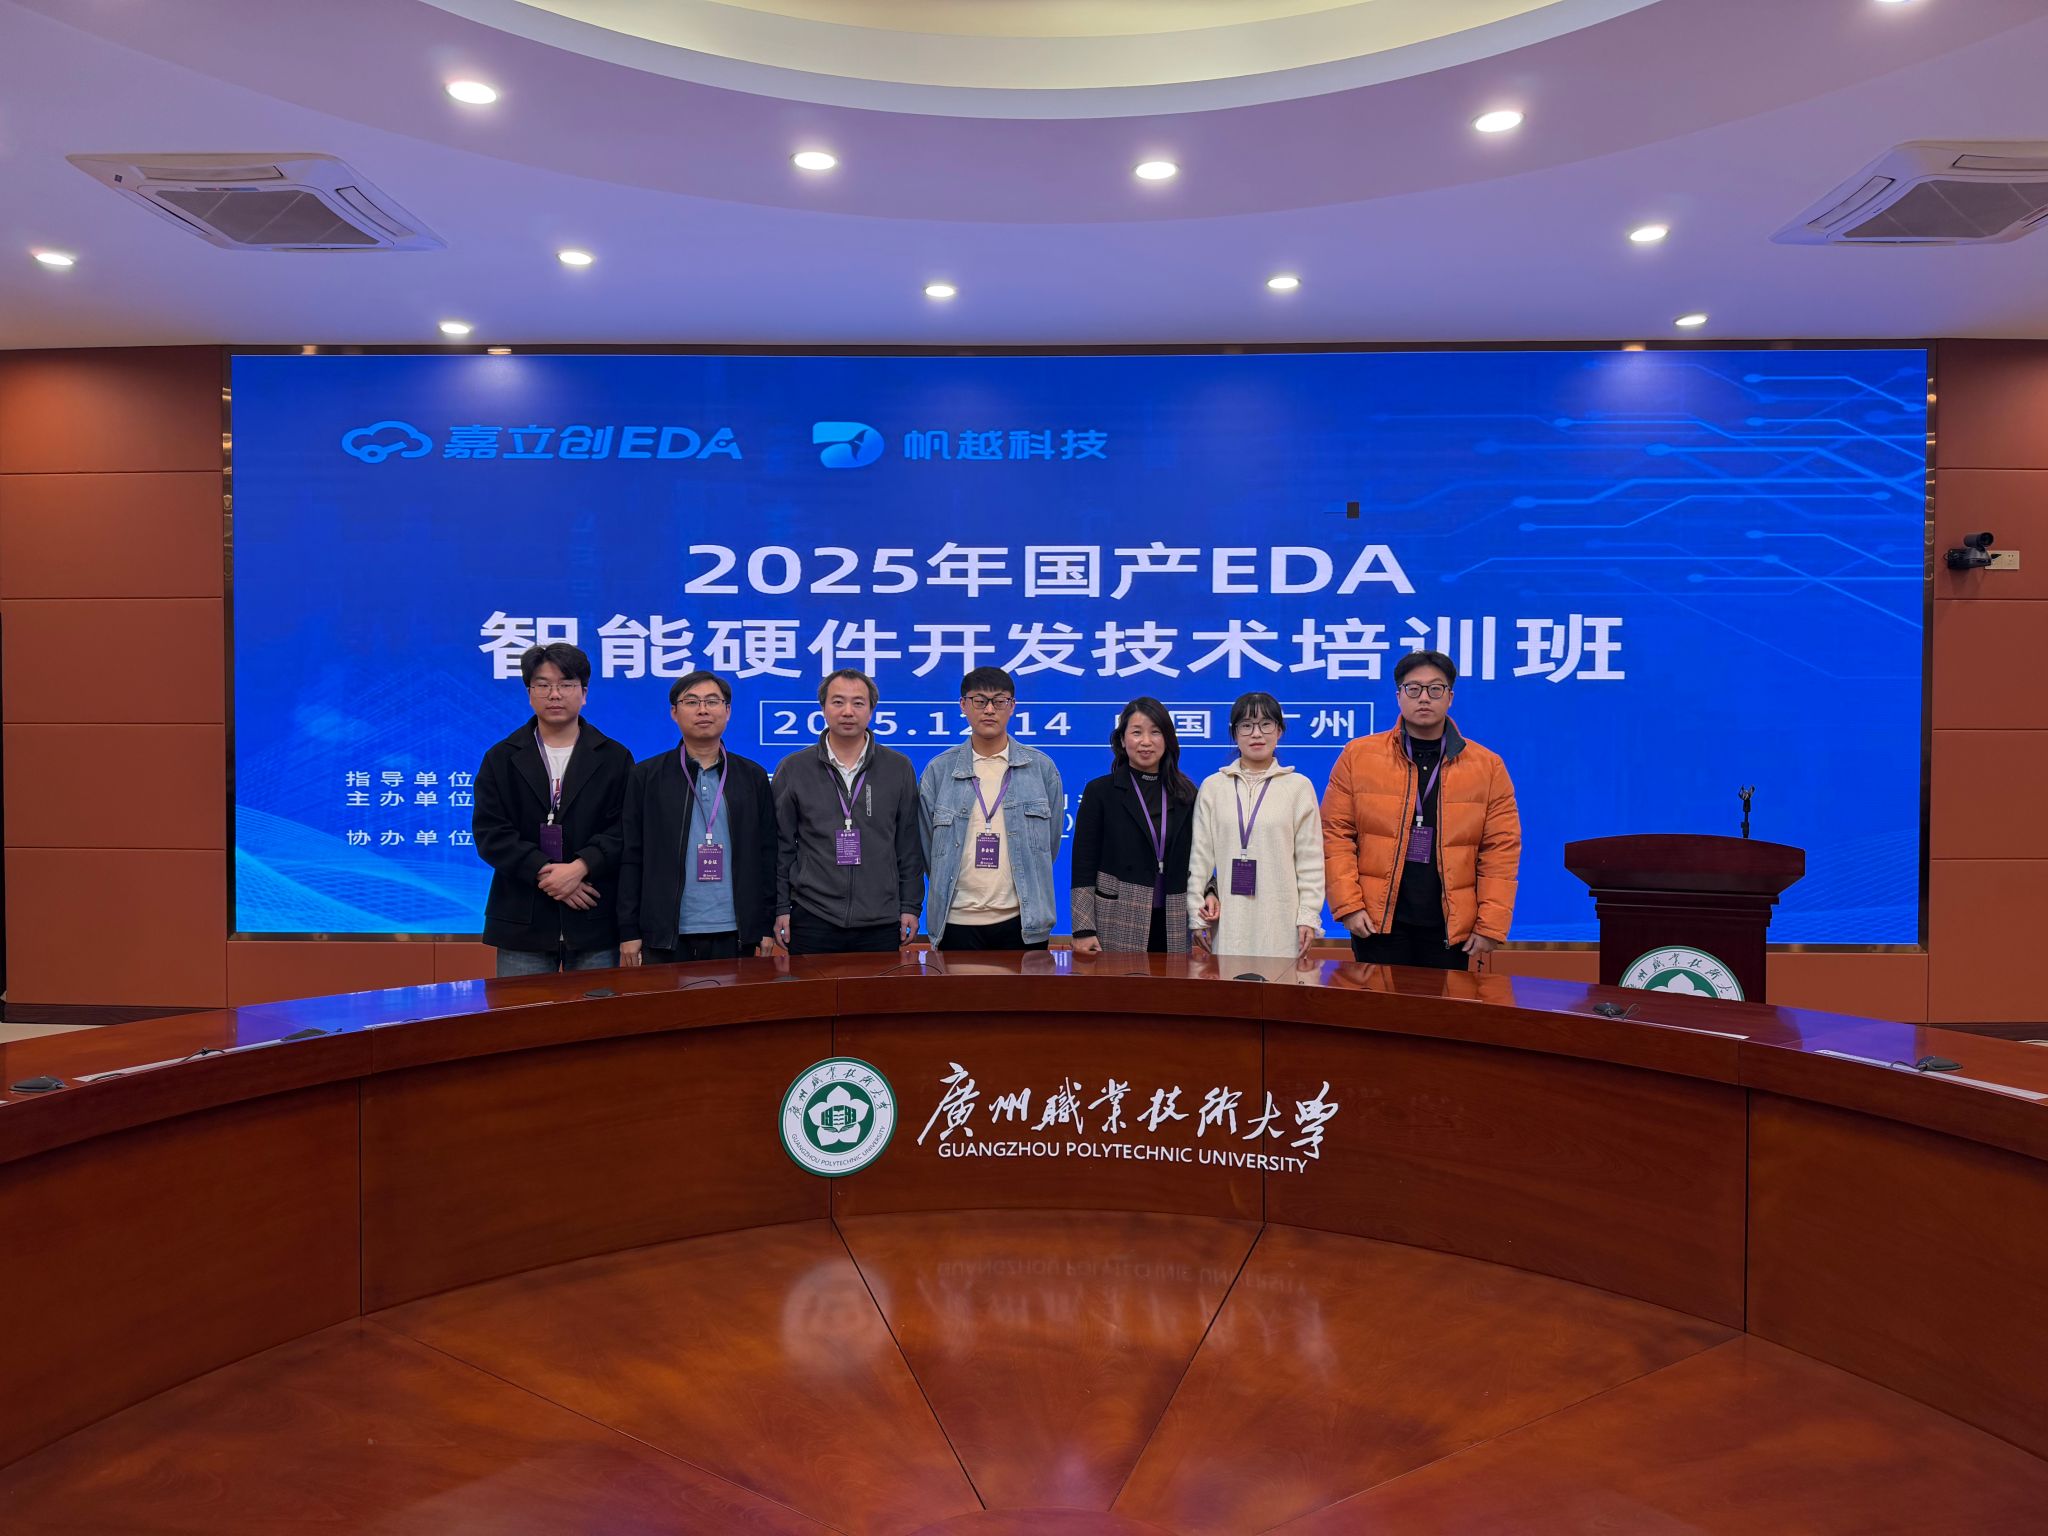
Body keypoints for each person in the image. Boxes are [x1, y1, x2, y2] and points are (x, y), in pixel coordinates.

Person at [1320, 649, 1521, 971]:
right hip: (1376, 922)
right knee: (1380, 1004)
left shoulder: (1488, 766)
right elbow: (1335, 834)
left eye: (1435, 689)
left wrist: (1491, 923)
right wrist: (1348, 905)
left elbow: (1501, 848)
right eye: (1413, 689)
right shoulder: (1358, 756)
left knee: (1443, 1006)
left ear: (1450, 697)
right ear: (1398, 696)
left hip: (1450, 926)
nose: (1424, 697)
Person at [471, 641, 632, 976]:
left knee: (595, 1010)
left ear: (584, 693)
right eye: (543, 685)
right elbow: (491, 833)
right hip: (521, 918)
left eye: (566, 685)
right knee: (522, 1010)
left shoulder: (615, 757)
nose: (554, 694)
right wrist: (548, 873)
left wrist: (579, 868)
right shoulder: (501, 757)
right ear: (529, 694)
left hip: (593, 915)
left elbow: (625, 828)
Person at [616, 671, 778, 966]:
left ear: (728, 711)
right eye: (691, 702)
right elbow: (631, 855)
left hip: (735, 929)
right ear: (674, 713)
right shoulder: (646, 776)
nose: (703, 710)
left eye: (712, 701)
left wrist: (764, 924)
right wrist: (628, 929)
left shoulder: (752, 776)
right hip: (665, 931)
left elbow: (767, 854)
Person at [772, 669, 924, 955]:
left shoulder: (898, 767)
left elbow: (908, 845)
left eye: (858, 703)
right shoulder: (794, 768)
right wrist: (780, 907)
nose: (848, 711)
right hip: (813, 915)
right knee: (810, 987)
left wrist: (910, 906)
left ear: (871, 710)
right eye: (838, 702)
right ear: (823, 707)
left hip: (881, 918)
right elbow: (781, 846)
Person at [920, 667, 1064, 951]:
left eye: (999, 701)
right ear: (963, 705)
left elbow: (1050, 845)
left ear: (1012, 706)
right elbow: (927, 849)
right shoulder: (939, 771)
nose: (989, 710)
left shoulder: (1041, 769)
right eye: (979, 701)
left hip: (1023, 922)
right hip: (956, 921)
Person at [1186, 692, 1325, 959]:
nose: (1256, 734)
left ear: (1280, 731)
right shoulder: (1213, 787)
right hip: (1229, 920)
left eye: (1266, 724)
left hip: (1282, 920)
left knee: (1279, 984)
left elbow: (1310, 859)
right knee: (1229, 983)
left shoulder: (1298, 787)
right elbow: (1200, 856)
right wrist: (1196, 912)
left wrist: (1308, 915)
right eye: (1246, 725)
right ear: (1234, 733)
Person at [1070, 697, 1198, 955]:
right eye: (1137, 732)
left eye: (1155, 732)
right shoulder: (1100, 791)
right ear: (1122, 739)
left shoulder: (1186, 793)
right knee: (1120, 982)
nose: (1146, 741)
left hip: (1174, 915)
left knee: (1173, 981)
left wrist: (1208, 896)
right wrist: (1083, 928)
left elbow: (1200, 856)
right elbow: (1083, 864)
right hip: (1117, 915)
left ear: (1168, 739)